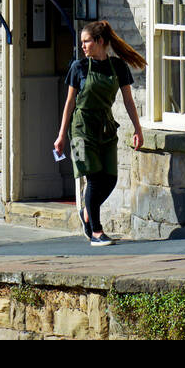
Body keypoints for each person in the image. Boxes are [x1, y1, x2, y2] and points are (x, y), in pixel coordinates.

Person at [53, 19, 146, 246]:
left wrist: (137, 128)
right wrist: (61, 135)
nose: (83, 46)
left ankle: (87, 210)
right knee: (93, 178)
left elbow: (128, 100)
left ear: (100, 41)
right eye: (82, 42)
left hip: (105, 127)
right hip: (81, 130)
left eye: (87, 41)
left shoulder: (118, 67)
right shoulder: (79, 68)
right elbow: (70, 102)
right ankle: (96, 231)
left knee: (110, 178)